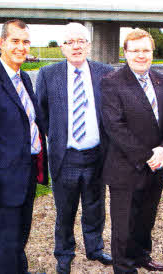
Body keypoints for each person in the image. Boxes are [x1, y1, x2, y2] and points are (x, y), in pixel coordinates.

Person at [0, 19, 47, 274]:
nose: (21, 47)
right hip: (1, 184)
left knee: (18, 242)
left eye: (25, 42)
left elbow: (29, 123)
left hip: (24, 177)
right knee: (4, 246)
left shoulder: (23, 77)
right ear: (1, 42)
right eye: (15, 41)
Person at [35, 22, 113, 274]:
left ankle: (95, 248)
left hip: (96, 156)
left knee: (95, 207)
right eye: (70, 42)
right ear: (62, 48)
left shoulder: (105, 73)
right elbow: (41, 113)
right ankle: (64, 254)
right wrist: (56, 136)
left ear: (89, 45)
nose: (76, 46)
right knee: (64, 212)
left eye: (81, 41)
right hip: (65, 157)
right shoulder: (48, 75)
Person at [101, 29, 163, 274]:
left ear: (152, 52)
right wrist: (148, 157)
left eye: (145, 50)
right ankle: (124, 267)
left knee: (146, 219)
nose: (141, 55)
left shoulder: (162, 81)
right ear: (125, 53)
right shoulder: (112, 83)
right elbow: (115, 127)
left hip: (157, 167)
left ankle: (142, 256)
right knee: (123, 226)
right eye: (134, 51)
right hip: (126, 168)